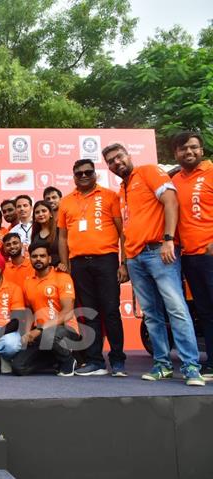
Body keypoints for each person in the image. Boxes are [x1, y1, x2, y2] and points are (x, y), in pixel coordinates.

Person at [105, 142, 204, 386]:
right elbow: (126, 229)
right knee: (151, 315)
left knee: (177, 309)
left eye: (119, 157)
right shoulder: (121, 190)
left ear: (128, 156)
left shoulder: (148, 171)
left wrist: (169, 239)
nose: (117, 163)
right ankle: (162, 364)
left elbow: (171, 202)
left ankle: (191, 366)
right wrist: (125, 262)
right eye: (111, 162)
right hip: (135, 257)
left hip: (159, 251)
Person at [58, 159, 127, 377]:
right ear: (74, 176)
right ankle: (95, 361)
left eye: (88, 172)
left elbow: (122, 231)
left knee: (111, 311)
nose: (84, 176)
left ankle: (117, 360)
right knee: (89, 314)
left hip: (106, 260)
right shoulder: (66, 201)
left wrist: (124, 262)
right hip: (78, 263)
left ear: (95, 173)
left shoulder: (109, 196)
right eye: (79, 173)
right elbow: (62, 236)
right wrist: (66, 263)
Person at [170, 131, 213, 379]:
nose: (189, 152)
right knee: (204, 311)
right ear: (176, 153)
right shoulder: (175, 180)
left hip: (209, 253)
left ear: (201, 150)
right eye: (183, 149)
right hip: (188, 256)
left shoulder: (210, 172)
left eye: (193, 148)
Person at [11, 243, 78, 377]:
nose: (38, 259)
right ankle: (54, 360)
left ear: (49, 259)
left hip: (65, 330)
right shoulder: (28, 282)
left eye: (42, 256)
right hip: (39, 335)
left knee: (47, 334)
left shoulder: (62, 277)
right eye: (34, 256)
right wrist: (27, 333)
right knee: (18, 367)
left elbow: (68, 311)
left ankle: (69, 361)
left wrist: (40, 329)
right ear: (30, 259)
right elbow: (29, 310)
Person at [31, 201, 60, 266]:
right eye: (37, 212)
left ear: (50, 214)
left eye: (44, 211)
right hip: (42, 273)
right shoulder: (35, 235)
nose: (40, 214)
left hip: (60, 271)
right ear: (34, 217)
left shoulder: (60, 231)